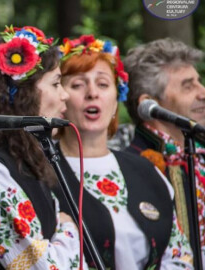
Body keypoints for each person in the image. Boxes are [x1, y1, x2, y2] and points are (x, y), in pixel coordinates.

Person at [0, 25, 86, 269]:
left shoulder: (26, 160)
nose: (65, 95)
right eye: (56, 84)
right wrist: (70, 229)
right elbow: (38, 265)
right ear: (25, 94)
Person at [54, 34, 193, 269]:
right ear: (60, 98)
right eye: (78, 84)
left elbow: (180, 257)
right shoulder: (40, 172)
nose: (92, 93)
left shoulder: (146, 170)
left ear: (116, 100)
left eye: (103, 84)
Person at [124, 38, 205, 268]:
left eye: (199, 82)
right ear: (149, 105)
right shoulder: (132, 167)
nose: (203, 92)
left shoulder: (200, 156)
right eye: (188, 86)